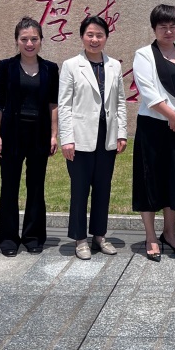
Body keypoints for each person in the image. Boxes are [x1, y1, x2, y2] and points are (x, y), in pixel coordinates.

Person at [58, 15, 128, 259]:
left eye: (99, 35)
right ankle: (80, 239)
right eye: (90, 35)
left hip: (106, 136)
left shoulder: (114, 65)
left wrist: (121, 133)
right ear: (82, 37)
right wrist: (67, 138)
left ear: (106, 37)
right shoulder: (71, 65)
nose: (95, 39)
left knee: (103, 188)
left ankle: (99, 235)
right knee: (79, 189)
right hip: (80, 137)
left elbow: (120, 101)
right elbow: (64, 105)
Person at [0, 17, 59, 257]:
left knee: (36, 186)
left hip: (39, 135)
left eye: (34, 39)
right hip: (11, 134)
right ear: (17, 41)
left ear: (41, 41)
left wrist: (53, 135)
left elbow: (53, 104)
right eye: (24, 39)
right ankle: (8, 239)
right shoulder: (6, 66)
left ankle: (33, 236)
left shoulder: (50, 68)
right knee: (9, 187)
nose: (29, 44)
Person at [131, 4, 175, 261]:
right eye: (162, 27)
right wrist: (172, 116)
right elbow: (148, 92)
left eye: (173, 26)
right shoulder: (144, 55)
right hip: (154, 127)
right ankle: (150, 236)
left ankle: (169, 232)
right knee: (150, 180)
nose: (168, 31)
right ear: (154, 28)